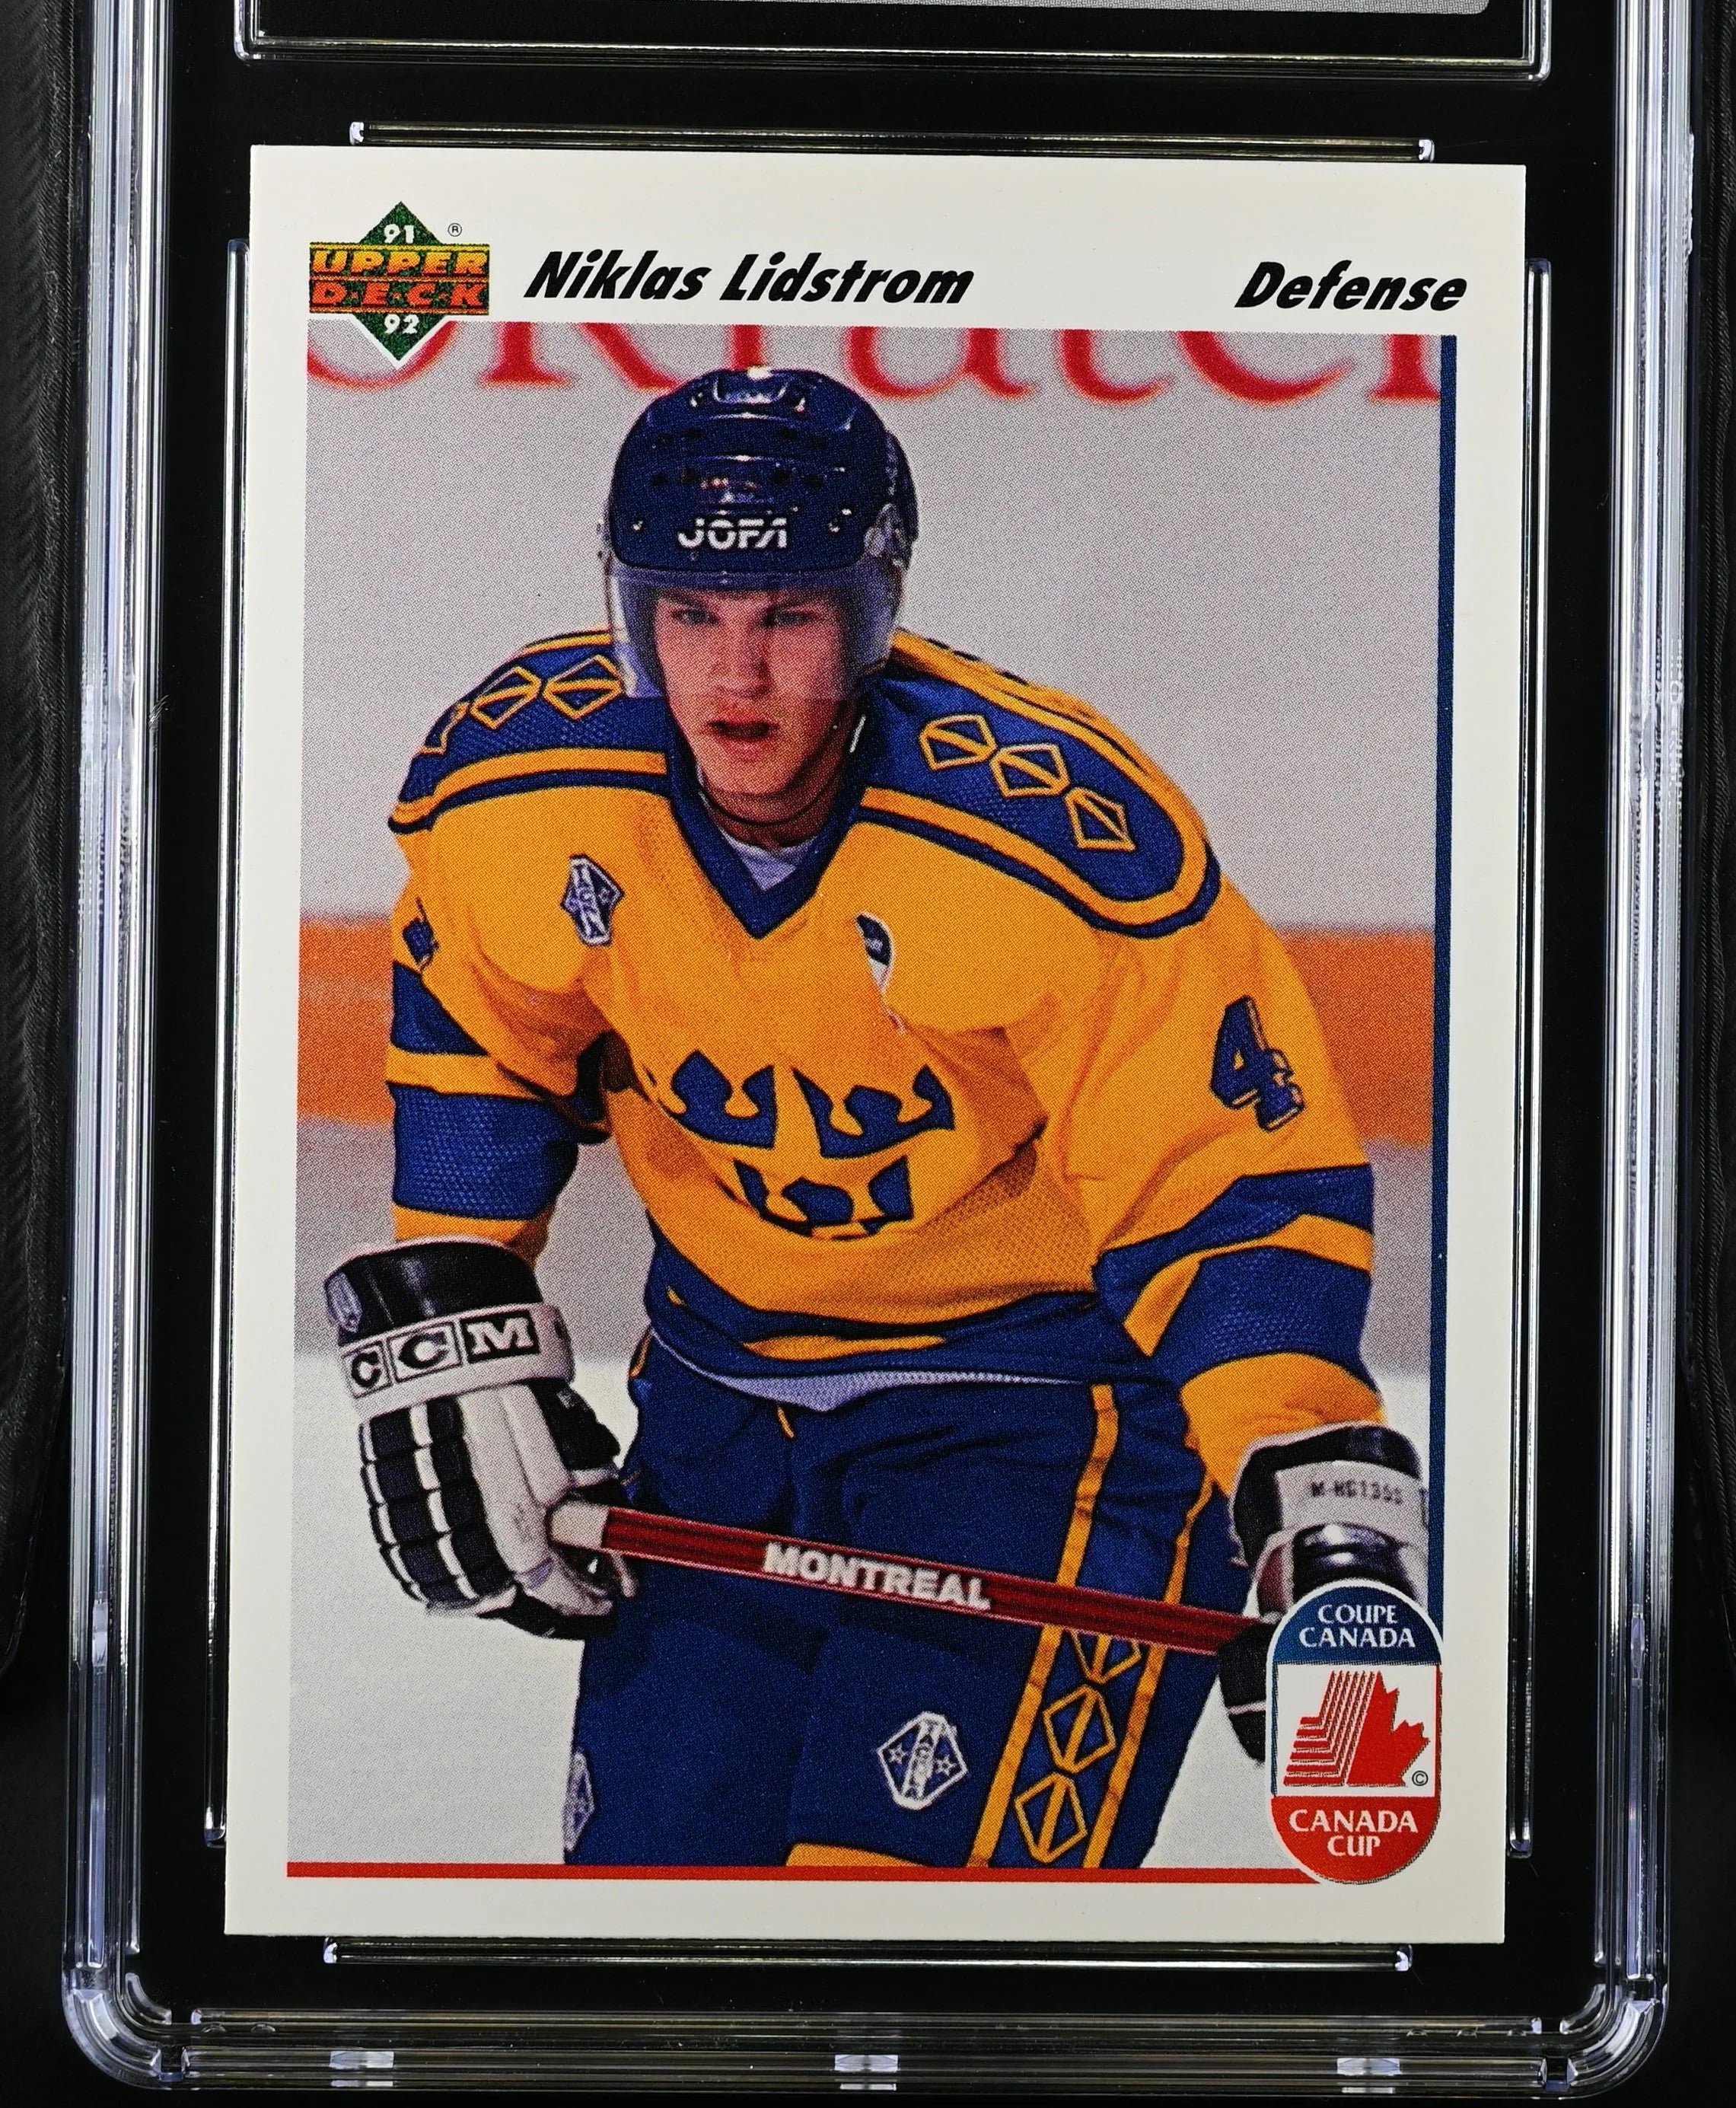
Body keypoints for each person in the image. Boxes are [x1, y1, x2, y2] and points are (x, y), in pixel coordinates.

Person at [326, 365, 1425, 1870]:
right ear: (627, 609)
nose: (736, 677)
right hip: (720, 1401)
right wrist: (459, 1309)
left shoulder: (1046, 839)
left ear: (873, 610)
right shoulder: (519, 784)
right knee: (652, 1921)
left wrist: (1301, 1469)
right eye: (689, 614)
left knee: (907, 1940)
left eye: (788, 615)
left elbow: (1216, 1175)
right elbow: (481, 1025)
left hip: (1045, 1424)